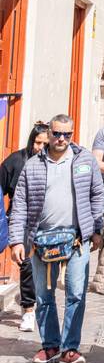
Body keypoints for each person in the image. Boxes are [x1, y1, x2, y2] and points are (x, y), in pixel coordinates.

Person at [8, 114, 104, 363]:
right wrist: (17, 240)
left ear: (73, 135)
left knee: (76, 293)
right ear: (49, 133)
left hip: (76, 239)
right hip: (41, 241)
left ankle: (70, 347)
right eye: (57, 133)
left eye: (67, 134)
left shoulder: (84, 159)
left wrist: (97, 228)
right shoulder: (33, 165)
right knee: (44, 295)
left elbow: (97, 194)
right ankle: (50, 345)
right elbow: (19, 204)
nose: (61, 139)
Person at [0, 124, 49, 332]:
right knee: (26, 264)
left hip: (47, 222)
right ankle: (28, 310)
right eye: (38, 143)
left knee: (44, 267)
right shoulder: (15, 161)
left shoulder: (55, 163)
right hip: (21, 221)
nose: (41, 148)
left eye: (45, 144)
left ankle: (38, 302)